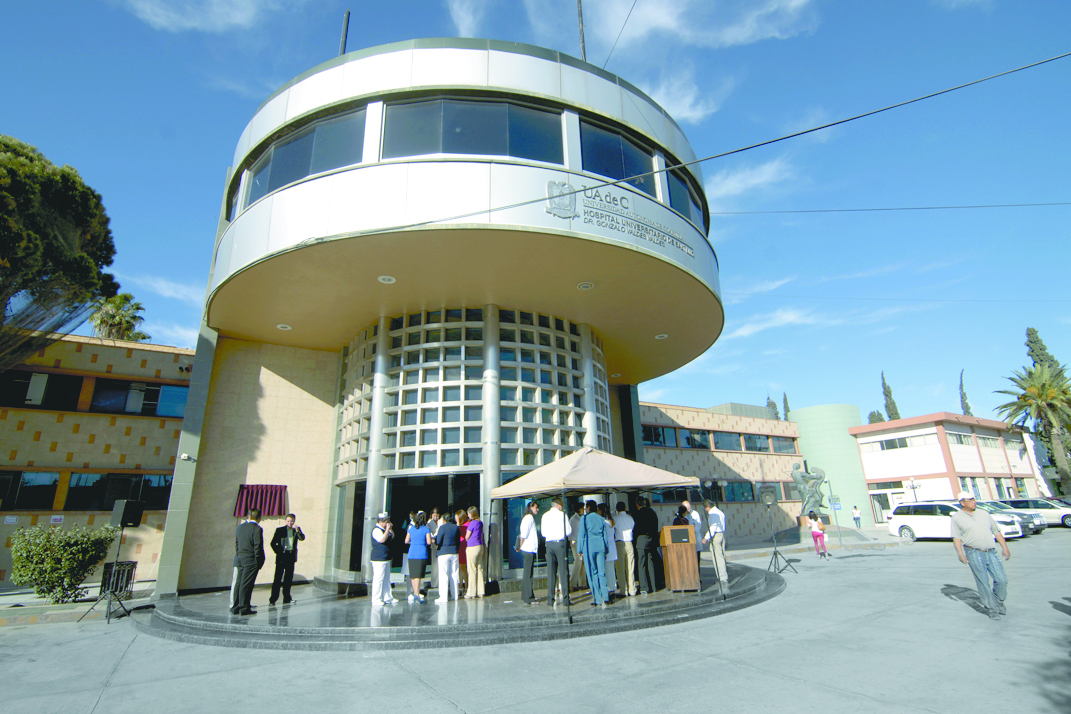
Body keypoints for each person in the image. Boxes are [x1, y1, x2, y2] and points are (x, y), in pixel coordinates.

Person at [951, 491, 1010, 620]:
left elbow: (996, 532)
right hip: (973, 553)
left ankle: (998, 601)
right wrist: (960, 554)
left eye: (974, 499)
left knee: (1002, 579)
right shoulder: (956, 518)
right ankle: (991, 608)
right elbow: (956, 538)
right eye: (970, 500)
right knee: (983, 582)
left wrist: (1005, 547)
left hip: (991, 552)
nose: (974, 502)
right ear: (962, 503)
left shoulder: (984, 514)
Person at [232, 508, 265, 615]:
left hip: (240, 558)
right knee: (246, 585)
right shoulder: (257, 529)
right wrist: (258, 560)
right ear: (259, 518)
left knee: (239, 583)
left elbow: (237, 544)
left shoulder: (240, 527)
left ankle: (236, 607)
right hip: (250, 560)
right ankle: (244, 608)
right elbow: (258, 546)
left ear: (249, 516)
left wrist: (239, 555)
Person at [577, 500, 610, 607]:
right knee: (602, 572)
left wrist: (579, 549)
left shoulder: (584, 518)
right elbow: (605, 536)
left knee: (592, 573)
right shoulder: (601, 518)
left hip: (589, 546)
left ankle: (597, 599)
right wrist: (606, 549)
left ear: (588, 507)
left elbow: (581, 535)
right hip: (601, 546)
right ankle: (606, 597)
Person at [540, 497, 571, 605]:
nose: (562, 507)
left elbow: (543, 533)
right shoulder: (563, 515)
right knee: (563, 571)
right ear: (557, 505)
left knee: (551, 572)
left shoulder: (545, 516)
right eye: (561, 505)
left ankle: (550, 599)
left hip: (549, 545)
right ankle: (566, 599)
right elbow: (568, 531)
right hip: (560, 544)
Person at [269, 512, 305, 605]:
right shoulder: (280, 530)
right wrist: (279, 552)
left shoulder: (296, 530)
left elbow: (302, 538)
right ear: (285, 521)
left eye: (291, 521)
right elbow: (273, 543)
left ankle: (287, 598)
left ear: (294, 521)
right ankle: (273, 599)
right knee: (277, 578)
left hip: (291, 557)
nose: (289, 523)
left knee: (288, 579)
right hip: (282, 557)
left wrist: (298, 530)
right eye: (288, 521)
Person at [634, 496, 659, 595]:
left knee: (641, 564)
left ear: (637, 504)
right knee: (650, 563)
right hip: (651, 540)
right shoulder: (652, 512)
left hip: (641, 541)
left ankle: (644, 587)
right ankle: (654, 586)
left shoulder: (638, 513)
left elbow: (636, 529)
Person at [405, 511, 432, 603]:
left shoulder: (411, 528)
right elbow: (429, 542)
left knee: (413, 575)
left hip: (412, 553)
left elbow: (406, 541)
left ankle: (415, 593)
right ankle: (416, 594)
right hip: (421, 553)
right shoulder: (426, 529)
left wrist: (413, 542)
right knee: (418, 575)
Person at [434, 512, 461, 603]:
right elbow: (458, 541)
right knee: (454, 574)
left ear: (444, 519)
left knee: (443, 575)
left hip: (443, 552)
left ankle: (443, 597)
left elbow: (438, 541)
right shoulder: (456, 527)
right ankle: (455, 595)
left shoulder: (442, 527)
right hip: (454, 552)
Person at [370, 512, 396, 605]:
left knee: (386, 578)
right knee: (378, 579)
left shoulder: (385, 530)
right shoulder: (376, 530)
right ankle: (376, 599)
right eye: (385, 522)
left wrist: (390, 529)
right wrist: (387, 529)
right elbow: (382, 539)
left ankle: (387, 597)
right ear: (380, 522)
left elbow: (392, 536)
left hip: (386, 558)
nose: (386, 524)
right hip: (378, 559)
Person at [518, 500, 540, 605]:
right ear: (530, 507)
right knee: (528, 574)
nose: (537, 509)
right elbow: (524, 534)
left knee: (527, 573)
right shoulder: (529, 518)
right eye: (536, 507)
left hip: (528, 549)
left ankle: (526, 595)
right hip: (528, 549)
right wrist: (520, 545)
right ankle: (529, 597)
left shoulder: (528, 518)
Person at [702, 500, 728, 586]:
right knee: (721, 556)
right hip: (721, 534)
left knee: (717, 558)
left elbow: (713, 527)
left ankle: (722, 578)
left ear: (707, 507)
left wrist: (706, 538)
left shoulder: (713, 514)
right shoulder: (720, 512)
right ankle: (723, 576)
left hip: (716, 536)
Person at [614, 502, 637, 597]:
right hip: (629, 543)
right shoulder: (630, 518)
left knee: (620, 567)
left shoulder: (615, 518)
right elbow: (633, 527)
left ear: (616, 509)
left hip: (619, 543)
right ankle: (632, 589)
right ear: (625, 508)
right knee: (630, 567)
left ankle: (624, 590)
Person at [464, 506, 485, 598]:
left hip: (472, 546)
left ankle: (471, 592)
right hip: (480, 546)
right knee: (480, 568)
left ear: (472, 514)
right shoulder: (480, 522)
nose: (468, 515)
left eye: (469, 513)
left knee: (472, 569)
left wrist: (466, 538)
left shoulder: (472, 523)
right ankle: (481, 591)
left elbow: (467, 536)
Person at [598, 503, 618, 596]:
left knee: (606, 569)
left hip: (606, 546)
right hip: (612, 546)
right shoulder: (611, 521)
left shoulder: (603, 522)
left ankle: (609, 588)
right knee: (611, 568)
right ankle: (613, 586)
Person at [568, 505, 588, 591]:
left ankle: (582, 583)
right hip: (575, 541)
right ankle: (573, 583)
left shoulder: (583, 518)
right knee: (578, 561)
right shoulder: (573, 519)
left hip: (582, 541)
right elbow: (569, 531)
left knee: (583, 562)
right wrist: (570, 541)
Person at [683, 500, 704, 565]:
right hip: (686, 540)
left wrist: (693, 531)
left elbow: (699, 525)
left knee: (697, 560)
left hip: (695, 538)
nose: (689, 510)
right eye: (687, 509)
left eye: (690, 508)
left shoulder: (695, 513)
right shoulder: (681, 515)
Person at [455, 509, 469, 593]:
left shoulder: (465, 526)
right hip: (460, 547)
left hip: (463, 547)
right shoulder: (462, 525)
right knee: (460, 567)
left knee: (463, 567)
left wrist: (457, 524)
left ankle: (466, 585)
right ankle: (461, 584)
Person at [427, 508, 440, 588]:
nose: (435, 517)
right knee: (435, 563)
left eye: (437, 516)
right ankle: (434, 583)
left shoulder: (441, 521)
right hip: (433, 543)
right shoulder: (429, 522)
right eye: (434, 516)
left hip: (440, 543)